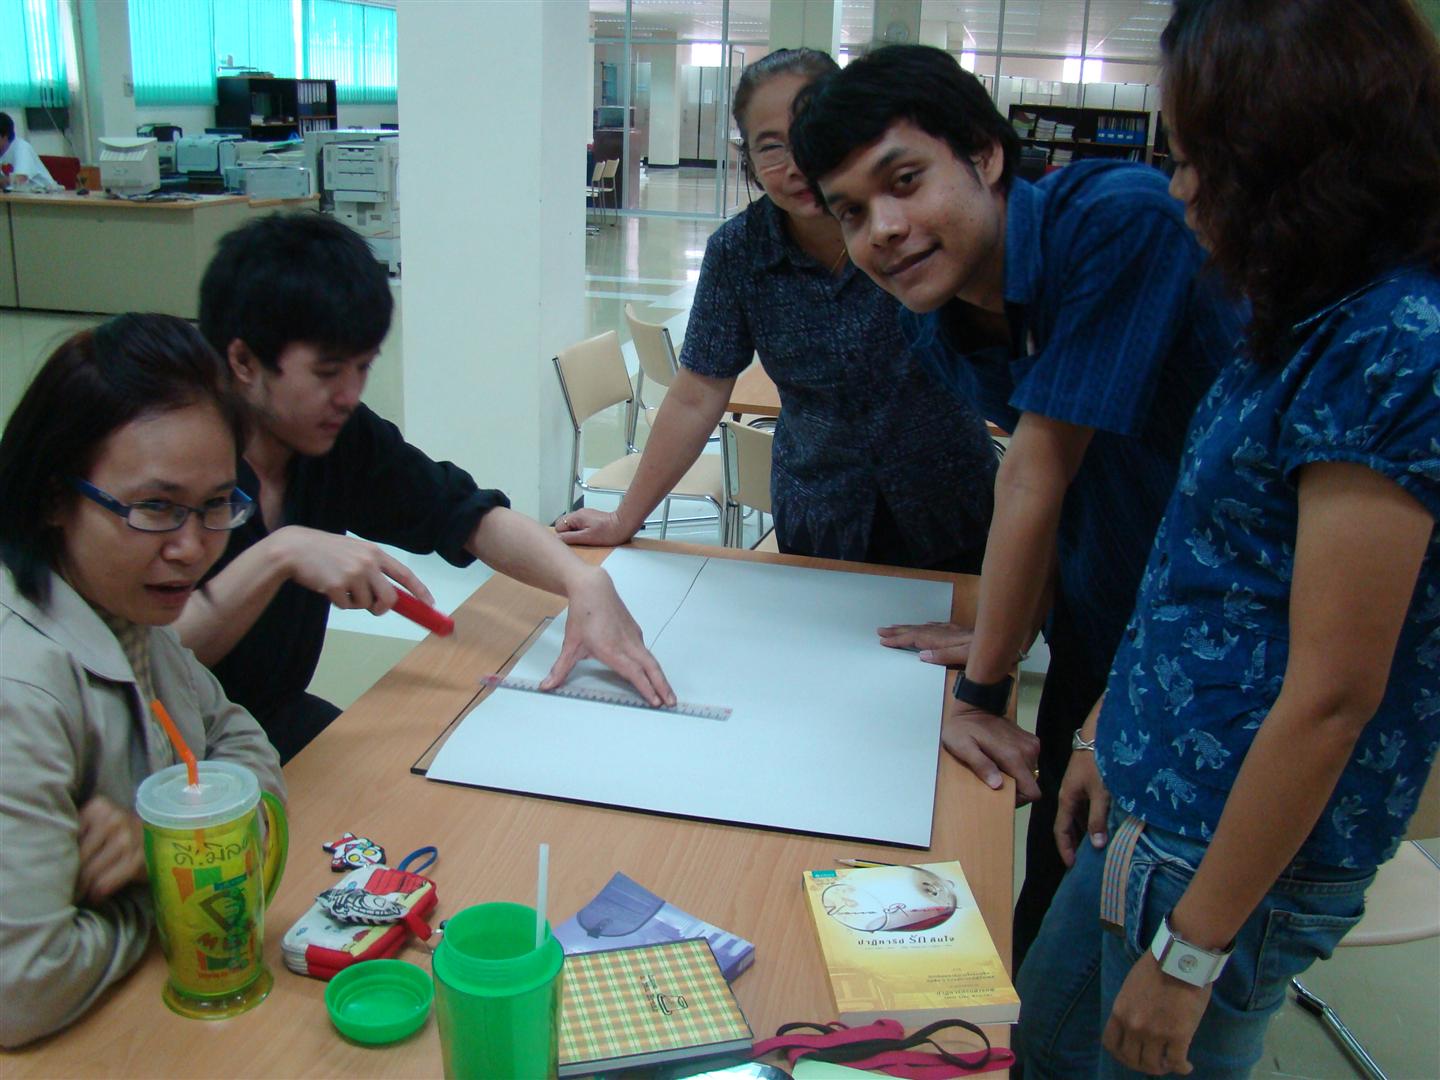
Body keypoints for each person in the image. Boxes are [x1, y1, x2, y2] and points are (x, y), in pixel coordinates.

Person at [1013, 0, 1440, 1074]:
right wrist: (1105, 731)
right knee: (1043, 1046)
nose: (1180, 188)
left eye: (1200, 158)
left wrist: (1193, 954)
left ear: (1292, 163)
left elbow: (1333, 693)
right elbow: (1200, 570)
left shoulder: (1391, 344)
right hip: (1153, 803)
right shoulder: (1299, 315)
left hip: (1222, 855)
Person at [789, 44, 1242, 970]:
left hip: (1210, 649)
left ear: (987, 155)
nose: (882, 230)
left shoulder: (1119, 220)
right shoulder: (939, 318)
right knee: (1048, 892)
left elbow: (1038, 471)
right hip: (1103, 615)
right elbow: (1064, 489)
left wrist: (983, 690)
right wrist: (1011, 621)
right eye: (851, 212)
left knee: (1137, 940)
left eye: (905, 181)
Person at [182, 212, 673, 763]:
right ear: (244, 361)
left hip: (269, 720)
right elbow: (146, 659)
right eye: (327, 372)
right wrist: (281, 554)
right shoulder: (169, 465)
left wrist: (580, 581)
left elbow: (463, 513)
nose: (349, 394)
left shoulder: (334, 437)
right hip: (168, 751)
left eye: (363, 368)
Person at [557, 49, 996, 575]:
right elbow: (697, 394)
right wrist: (624, 518)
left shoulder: (910, 226)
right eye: (771, 147)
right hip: (821, 518)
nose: (797, 164)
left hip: (953, 505)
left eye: (811, 133)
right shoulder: (740, 254)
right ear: (747, 158)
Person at [0, 315, 286, 1047]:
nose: (193, 548)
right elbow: (21, 990)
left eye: (216, 504)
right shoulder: (21, 689)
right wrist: (174, 882)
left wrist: (163, 843)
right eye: (155, 508)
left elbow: (240, 739)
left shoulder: (130, 615)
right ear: (53, 497)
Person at [0, 111, 59, 190]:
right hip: (15, 196)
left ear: (5, 137)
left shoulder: (22, 148)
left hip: (45, 194)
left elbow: (20, 180)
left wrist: (3, 181)